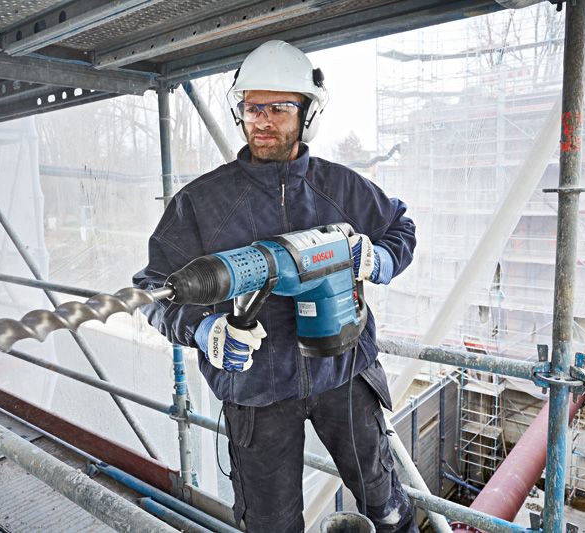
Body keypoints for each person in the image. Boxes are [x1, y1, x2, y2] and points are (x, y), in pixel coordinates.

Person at [133, 40, 417, 533]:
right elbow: (152, 288)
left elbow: (401, 229)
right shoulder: (202, 202)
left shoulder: (343, 187)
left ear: (307, 114)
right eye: (251, 107)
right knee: (271, 524)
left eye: (279, 108)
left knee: (385, 504)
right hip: (256, 390)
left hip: (345, 371)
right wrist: (203, 329)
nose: (261, 120)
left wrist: (380, 257)